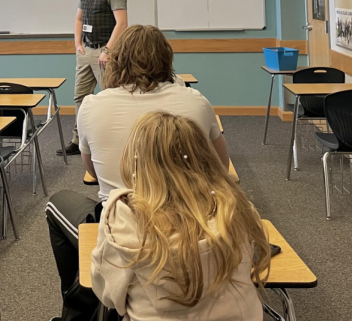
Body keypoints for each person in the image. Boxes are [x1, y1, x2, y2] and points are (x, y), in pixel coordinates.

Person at [46, 25, 228, 321]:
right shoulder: (195, 100)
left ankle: (78, 307)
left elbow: (91, 171)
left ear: (116, 61)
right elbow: (220, 169)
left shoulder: (91, 107)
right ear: (166, 59)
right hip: (193, 221)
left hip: (122, 224)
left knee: (56, 203)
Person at [91, 111, 270, 321]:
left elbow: (108, 296)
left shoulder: (122, 217)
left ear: (137, 162)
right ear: (205, 157)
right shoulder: (235, 208)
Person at [62, 0, 128, 156]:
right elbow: (78, 19)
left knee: (111, 96)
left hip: (104, 52)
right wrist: (77, 43)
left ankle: (116, 139)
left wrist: (107, 51)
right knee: (80, 96)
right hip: (86, 51)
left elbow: (122, 24)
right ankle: (78, 139)